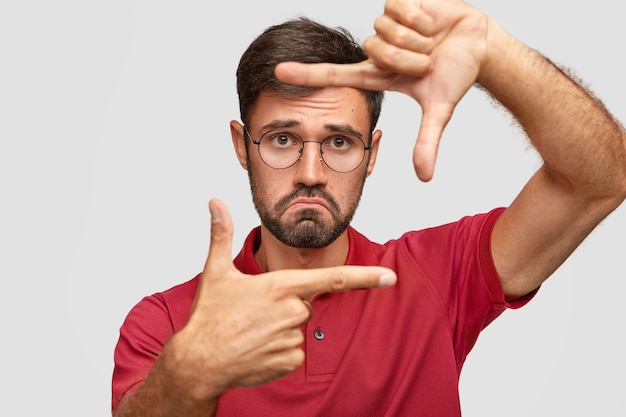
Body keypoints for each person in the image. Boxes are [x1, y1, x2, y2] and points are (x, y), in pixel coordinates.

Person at [111, 0, 626, 415]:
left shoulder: (437, 275)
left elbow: (600, 179)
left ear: (372, 154)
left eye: (338, 143)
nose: (310, 172)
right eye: (282, 139)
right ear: (242, 146)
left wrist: (495, 54)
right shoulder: (167, 322)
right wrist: (189, 373)